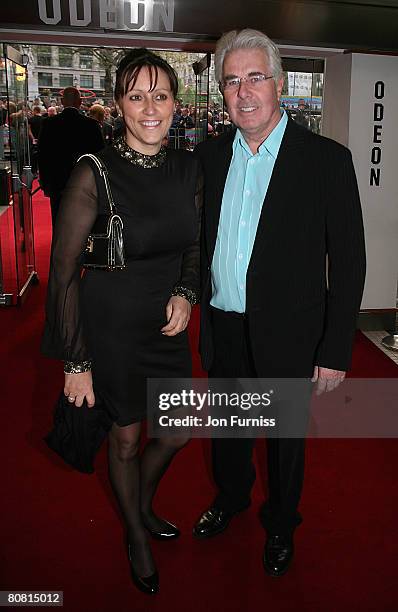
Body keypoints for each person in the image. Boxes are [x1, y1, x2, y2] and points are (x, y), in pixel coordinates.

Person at [193, 29, 366, 577]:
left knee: (285, 439)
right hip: (223, 321)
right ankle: (231, 498)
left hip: (291, 332)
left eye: (256, 77)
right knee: (228, 429)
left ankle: (282, 521)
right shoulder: (211, 155)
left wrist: (335, 346)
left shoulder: (326, 161)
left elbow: (350, 260)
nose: (244, 92)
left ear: (281, 83)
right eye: (232, 81)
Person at [41, 49, 202, 595]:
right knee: (127, 439)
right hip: (109, 327)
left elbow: (192, 245)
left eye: (160, 95)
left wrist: (186, 291)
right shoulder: (95, 172)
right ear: (118, 106)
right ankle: (136, 533)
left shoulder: (187, 167)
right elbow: (62, 273)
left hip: (166, 326)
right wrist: (76, 360)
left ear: (177, 104)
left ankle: (139, 503)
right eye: (136, 96)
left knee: (179, 430)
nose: (149, 108)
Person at [38, 86, 103, 226]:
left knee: (58, 218)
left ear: (62, 101)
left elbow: (42, 155)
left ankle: (59, 246)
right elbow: (100, 156)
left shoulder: (49, 123)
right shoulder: (91, 125)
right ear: (80, 102)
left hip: (57, 181)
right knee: (83, 222)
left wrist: (45, 182)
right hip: (84, 182)